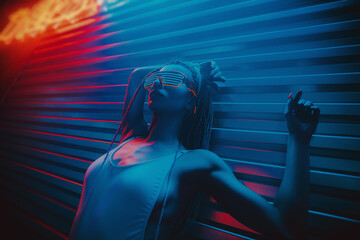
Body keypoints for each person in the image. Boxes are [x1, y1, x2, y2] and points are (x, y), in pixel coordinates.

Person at [68, 60, 320, 240]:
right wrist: (195, 68)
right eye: (157, 78)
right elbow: (136, 76)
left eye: (173, 79)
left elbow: (286, 226)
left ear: (191, 101)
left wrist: (298, 139)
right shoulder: (130, 136)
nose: (157, 83)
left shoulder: (193, 163)